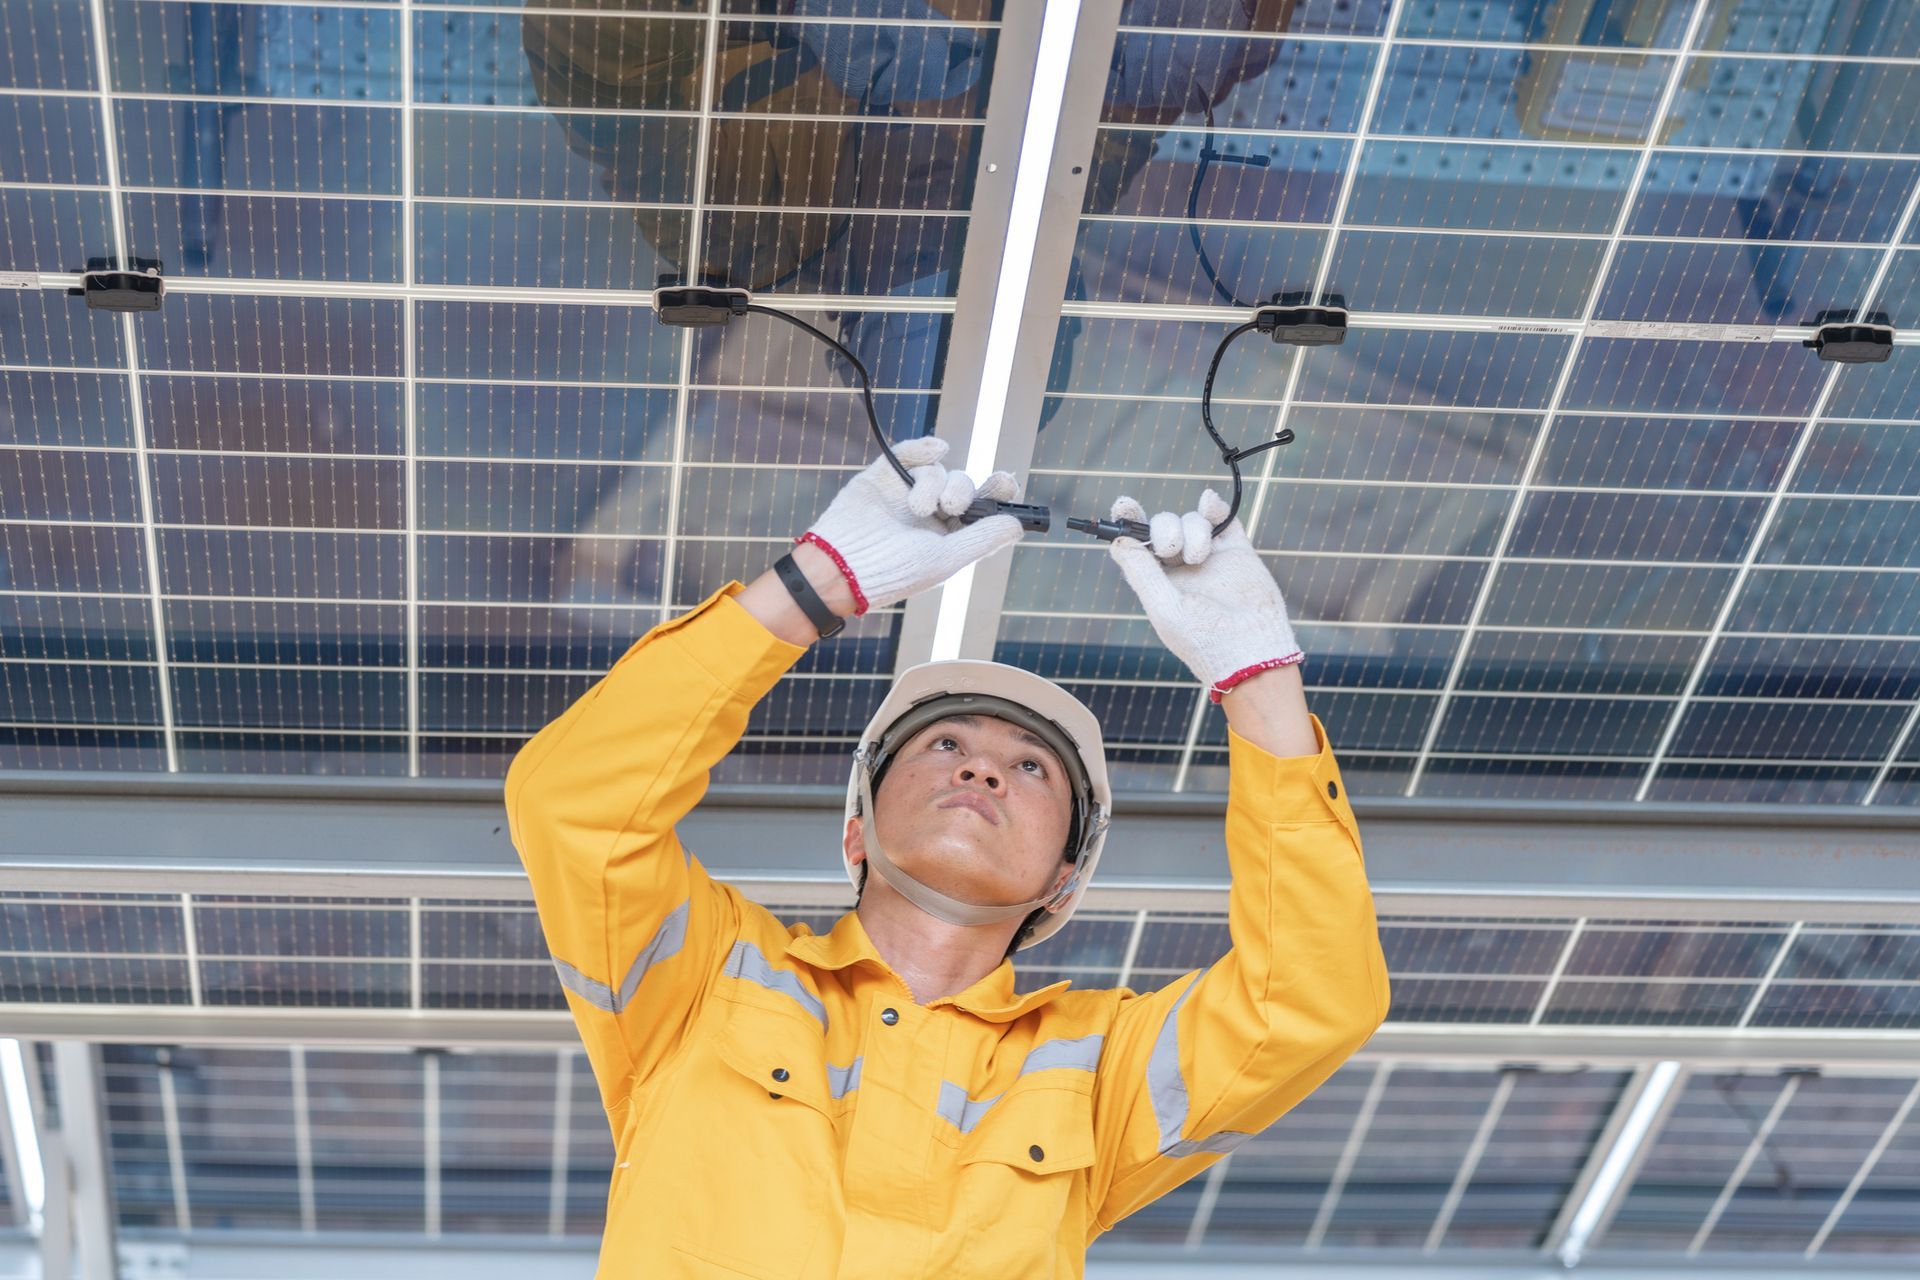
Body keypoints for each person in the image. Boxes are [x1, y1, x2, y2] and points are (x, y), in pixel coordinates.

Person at [505, 437, 1390, 1278]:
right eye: (942, 745)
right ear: (858, 831)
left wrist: (1261, 681)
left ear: (1064, 882)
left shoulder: (1102, 1073)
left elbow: (1311, 1000)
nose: (981, 766)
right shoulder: (705, 982)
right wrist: (812, 587)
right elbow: (576, 808)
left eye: (1031, 767)